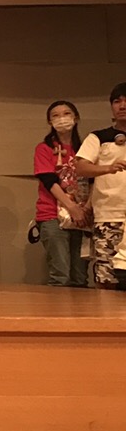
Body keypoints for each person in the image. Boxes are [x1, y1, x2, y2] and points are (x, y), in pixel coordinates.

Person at [32, 100, 90, 287]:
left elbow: (94, 181)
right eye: (55, 116)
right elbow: (49, 181)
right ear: (50, 122)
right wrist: (71, 207)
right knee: (60, 275)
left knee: (80, 277)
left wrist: (85, 210)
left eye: (66, 114)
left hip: (82, 217)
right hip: (52, 215)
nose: (62, 119)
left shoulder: (85, 149)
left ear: (76, 118)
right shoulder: (44, 148)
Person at [75, 83, 126, 289]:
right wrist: (108, 168)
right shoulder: (98, 137)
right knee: (107, 278)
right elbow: (81, 167)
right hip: (109, 215)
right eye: (117, 101)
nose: (122, 106)